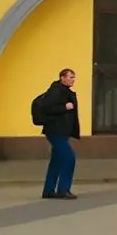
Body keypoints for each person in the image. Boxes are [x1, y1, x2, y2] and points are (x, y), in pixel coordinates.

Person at [32, 68, 81, 200]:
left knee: (57, 160)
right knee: (69, 157)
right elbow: (47, 108)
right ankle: (63, 189)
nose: (73, 80)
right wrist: (64, 107)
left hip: (62, 131)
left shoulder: (65, 91)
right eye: (70, 77)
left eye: (73, 77)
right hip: (55, 131)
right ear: (62, 78)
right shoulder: (55, 91)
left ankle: (49, 190)